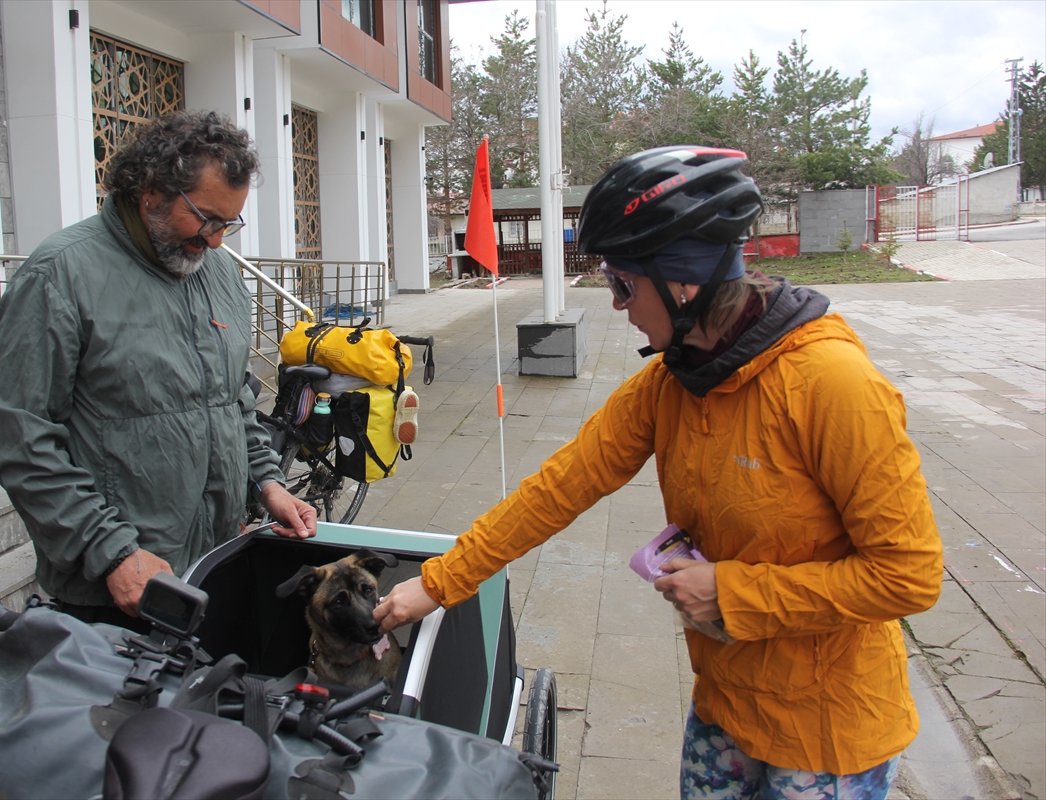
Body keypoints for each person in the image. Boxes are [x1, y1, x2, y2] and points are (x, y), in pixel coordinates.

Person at [375, 147, 943, 798]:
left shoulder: (832, 385)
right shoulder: (674, 382)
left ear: (683, 284)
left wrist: (732, 593)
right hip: (726, 704)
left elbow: (909, 574)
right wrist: (441, 582)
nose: (618, 306)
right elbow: (560, 487)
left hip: (829, 734)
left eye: (623, 285)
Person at [0, 111, 318, 630]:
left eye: (228, 224)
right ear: (151, 191)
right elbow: (23, 442)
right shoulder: (59, 275)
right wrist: (111, 551)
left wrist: (268, 483)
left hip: (215, 564)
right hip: (118, 589)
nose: (215, 240)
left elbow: (234, 401)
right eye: (206, 218)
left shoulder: (220, 272)